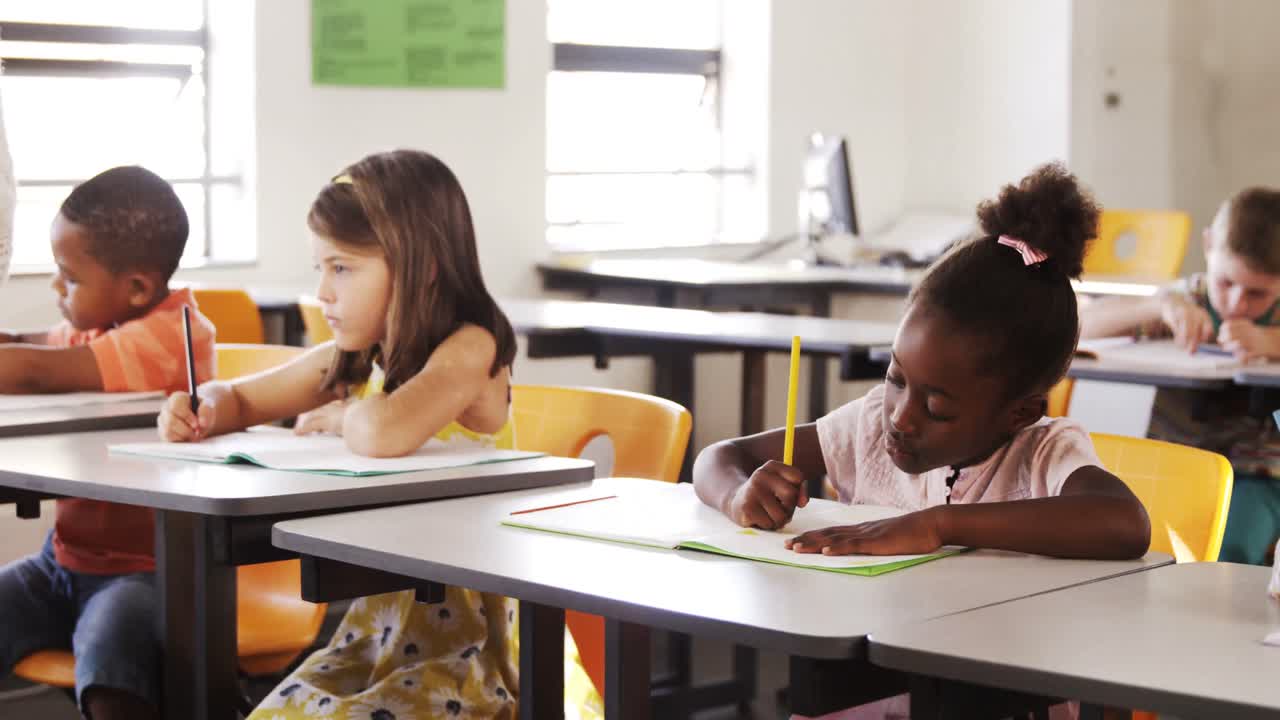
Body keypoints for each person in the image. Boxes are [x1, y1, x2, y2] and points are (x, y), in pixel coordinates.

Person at [694, 163, 1151, 720]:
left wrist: (938, 525)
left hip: (1005, 699)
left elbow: (1125, 523)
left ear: (1019, 413)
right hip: (881, 688)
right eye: (896, 378)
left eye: (936, 407)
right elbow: (721, 457)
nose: (901, 417)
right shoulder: (869, 427)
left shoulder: (1042, 455)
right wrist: (738, 496)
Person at [158, 149, 600, 719]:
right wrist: (201, 407)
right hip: (381, 637)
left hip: (475, 652)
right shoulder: (361, 354)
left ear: (423, 266)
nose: (323, 291)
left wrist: (343, 414)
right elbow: (243, 399)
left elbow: (382, 431)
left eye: (341, 268)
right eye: (320, 268)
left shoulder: (472, 347)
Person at [0, 166, 215, 720]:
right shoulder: (104, 324)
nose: (56, 290)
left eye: (69, 278)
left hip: (151, 571)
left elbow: (34, 372)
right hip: (61, 563)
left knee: (111, 663)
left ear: (137, 287)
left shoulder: (173, 337)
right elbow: (30, 346)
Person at [1080, 187, 1280, 564]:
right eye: (1226, 283)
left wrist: (1270, 341)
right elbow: (1080, 326)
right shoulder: (1187, 300)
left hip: (1257, 474)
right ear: (1208, 246)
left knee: (1228, 551)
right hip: (1173, 463)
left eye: (1257, 293)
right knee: (1118, 538)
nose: (1237, 303)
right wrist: (1158, 306)